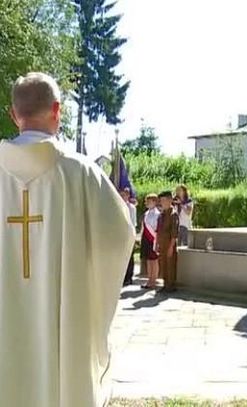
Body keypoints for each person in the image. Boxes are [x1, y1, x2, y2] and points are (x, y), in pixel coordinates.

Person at [0, 72, 135, 407]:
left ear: (14, 114)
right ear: (57, 110)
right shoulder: (82, 173)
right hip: (64, 326)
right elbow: (119, 239)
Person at [157, 191, 179, 293]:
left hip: (169, 243)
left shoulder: (173, 214)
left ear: (170, 200)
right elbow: (158, 230)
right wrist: (157, 243)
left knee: (170, 265)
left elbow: (174, 233)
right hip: (162, 243)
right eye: (161, 201)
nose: (162, 203)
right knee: (163, 264)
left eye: (164, 200)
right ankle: (165, 284)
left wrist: (171, 247)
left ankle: (171, 285)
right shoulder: (161, 214)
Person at [140, 193, 160, 290]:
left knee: (154, 260)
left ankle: (154, 279)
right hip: (146, 239)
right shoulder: (146, 213)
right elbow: (143, 227)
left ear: (154, 202)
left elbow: (157, 228)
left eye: (149, 201)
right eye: (146, 201)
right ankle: (149, 279)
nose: (146, 203)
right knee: (148, 260)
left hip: (153, 238)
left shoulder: (157, 214)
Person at [120, 187, 137, 286]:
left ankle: (129, 277)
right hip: (120, 235)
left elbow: (132, 222)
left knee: (129, 256)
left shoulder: (131, 207)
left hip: (129, 233)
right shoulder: (117, 205)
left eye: (124, 195)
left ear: (128, 196)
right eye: (121, 195)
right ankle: (122, 277)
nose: (122, 197)